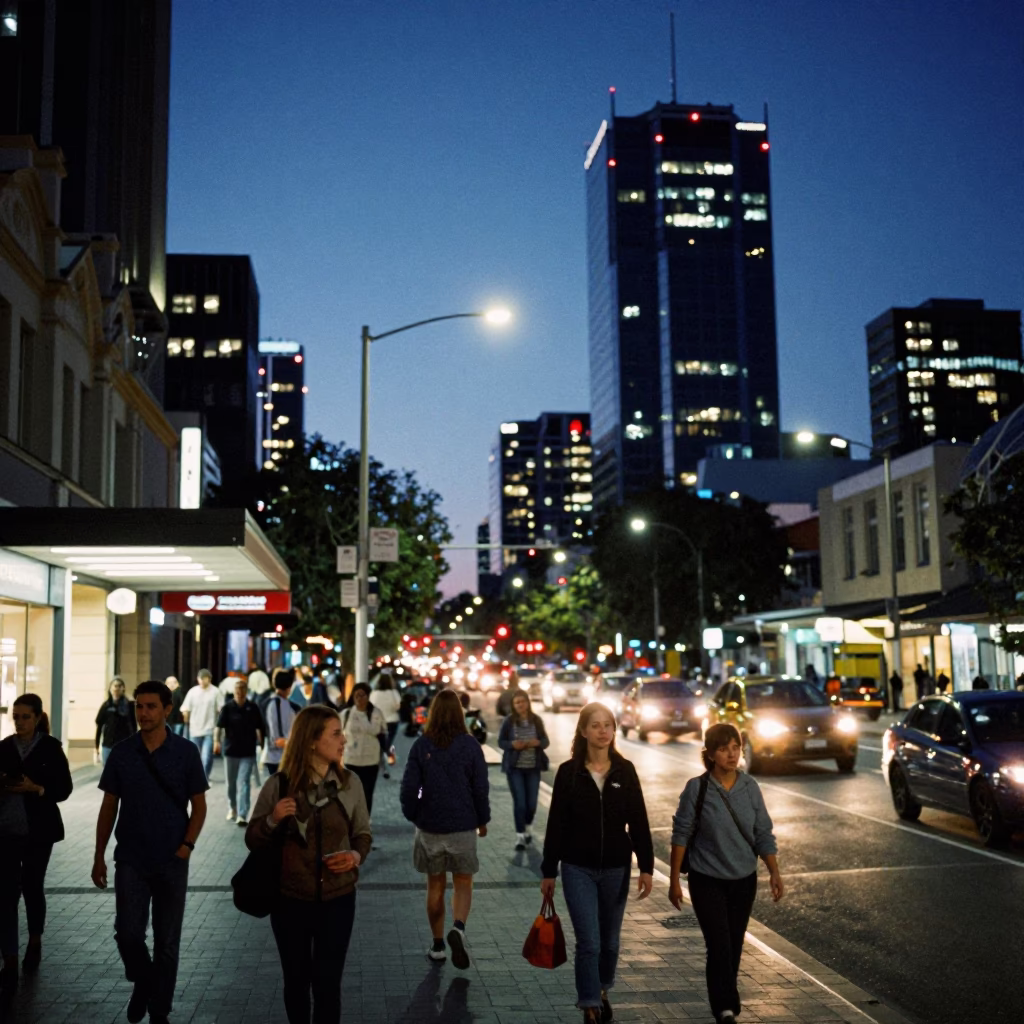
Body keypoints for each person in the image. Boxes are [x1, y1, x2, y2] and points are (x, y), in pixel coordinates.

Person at [247, 705, 371, 1024]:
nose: (344, 739)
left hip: (339, 899)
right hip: (290, 901)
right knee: (297, 983)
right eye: (336, 733)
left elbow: (363, 834)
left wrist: (355, 856)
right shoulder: (279, 784)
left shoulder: (350, 783)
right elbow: (253, 838)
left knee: (328, 985)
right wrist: (273, 820)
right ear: (313, 741)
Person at [93, 680, 208, 1024]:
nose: (143, 713)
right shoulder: (123, 752)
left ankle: (159, 1009)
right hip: (130, 857)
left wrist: (187, 846)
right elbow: (108, 805)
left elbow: (199, 806)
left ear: (167, 709)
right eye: (139, 706)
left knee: (167, 941)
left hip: (173, 858)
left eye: (151, 706)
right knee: (127, 932)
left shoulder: (185, 752)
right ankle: (144, 981)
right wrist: (99, 854)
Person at [541, 702, 653, 1024]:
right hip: (577, 867)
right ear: (583, 731)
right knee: (588, 941)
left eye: (608, 725)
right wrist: (549, 871)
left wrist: (646, 867)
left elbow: (639, 821)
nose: (603, 731)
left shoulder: (625, 770)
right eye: (596, 725)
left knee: (610, 943)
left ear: (614, 730)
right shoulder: (569, 773)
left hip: (616, 868)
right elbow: (556, 825)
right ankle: (590, 1005)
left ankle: (602, 989)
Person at [669, 723, 784, 1024]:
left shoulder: (750, 788)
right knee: (718, 944)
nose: (732, 754)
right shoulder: (698, 788)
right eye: (724, 749)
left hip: (744, 879)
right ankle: (724, 1008)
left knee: (733, 943)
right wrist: (673, 883)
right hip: (706, 878)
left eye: (736, 747)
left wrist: (774, 872)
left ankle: (727, 1000)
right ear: (710, 754)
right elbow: (680, 835)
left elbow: (763, 833)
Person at [400, 689, 489, 970]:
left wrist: (415, 814)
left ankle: (438, 945)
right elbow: (480, 788)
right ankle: (458, 928)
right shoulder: (470, 746)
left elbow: (409, 788)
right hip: (463, 826)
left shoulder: (421, 745)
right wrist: (482, 820)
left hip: (430, 828)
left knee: (434, 885)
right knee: (463, 882)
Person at [0, 694, 73, 995]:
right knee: (5, 893)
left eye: (25, 716)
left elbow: (64, 788)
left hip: (38, 831)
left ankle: (34, 940)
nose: (19, 722)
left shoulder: (51, 748)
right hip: (5, 830)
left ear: (38, 717)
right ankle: (10, 957)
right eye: (15, 716)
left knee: (32, 886)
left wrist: (37, 788)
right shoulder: (4, 747)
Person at [497, 690, 550, 851]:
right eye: (517, 702)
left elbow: (545, 741)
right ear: (513, 706)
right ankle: (520, 836)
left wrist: (538, 742)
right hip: (515, 769)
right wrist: (512, 745)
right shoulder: (509, 721)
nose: (521, 705)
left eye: (523, 701)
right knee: (520, 803)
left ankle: (528, 828)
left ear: (528, 702)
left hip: (533, 768)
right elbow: (501, 742)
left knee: (532, 804)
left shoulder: (536, 720)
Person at [216, 678, 265, 826]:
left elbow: (259, 728)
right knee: (231, 784)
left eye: (242, 692)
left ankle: (242, 814)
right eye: (237, 692)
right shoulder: (227, 708)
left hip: (247, 752)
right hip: (230, 751)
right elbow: (219, 726)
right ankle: (233, 808)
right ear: (234, 692)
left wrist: (262, 746)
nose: (239, 694)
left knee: (244, 782)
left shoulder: (253, 708)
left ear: (246, 692)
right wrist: (216, 741)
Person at [341, 683, 387, 816]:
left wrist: (362, 716)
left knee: (367, 792)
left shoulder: (376, 713)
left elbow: (377, 730)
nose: (359, 699)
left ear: (368, 696)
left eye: (363, 695)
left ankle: (364, 820)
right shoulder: (346, 713)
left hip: (370, 760)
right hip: (351, 759)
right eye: (356, 695)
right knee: (350, 792)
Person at [180, 668, 224, 781]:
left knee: (206, 756)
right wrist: (185, 714)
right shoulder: (193, 691)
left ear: (209, 679)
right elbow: (185, 707)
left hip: (210, 728)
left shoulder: (215, 691)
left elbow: (221, 709)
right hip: (195, 729)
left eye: (204, 679)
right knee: (195, 757)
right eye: (200, 679)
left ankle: (203, 778)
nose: (201, 681)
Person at [263, 668, 301, 776]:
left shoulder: (280, 703)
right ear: (289, 687)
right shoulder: (277, 704)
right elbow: (277, 738)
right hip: (279, 757)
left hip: (282, 755)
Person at [95, 677, 137, 764]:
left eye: (119, 686)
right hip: (108, 745)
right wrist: (96, 746)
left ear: (123, 688)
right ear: (110, 689)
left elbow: (134, 726)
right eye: (115, 686)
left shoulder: (129, 705)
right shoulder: (106, 706)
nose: (117, 688)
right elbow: (99, 726)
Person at [373, 673, 403, 777]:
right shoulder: (394, 693)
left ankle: (383, 767)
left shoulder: (375, 693)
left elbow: (371, 707)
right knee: (387, 743)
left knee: (381, 745)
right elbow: (398, 706)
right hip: (392, 721)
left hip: (379, 722)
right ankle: (389, 758)